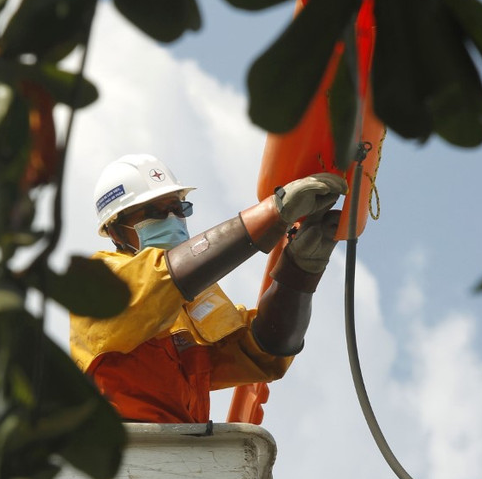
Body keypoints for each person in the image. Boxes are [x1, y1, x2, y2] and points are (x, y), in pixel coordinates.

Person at [69, 154, 346, 423]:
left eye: (179, 209)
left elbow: (264, 352)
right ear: (116, 231)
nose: (172, 219)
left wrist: (299, 271)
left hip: (184, 454)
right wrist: (274, 212)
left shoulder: (193, 297)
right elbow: (162, 276)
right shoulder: (96, 283)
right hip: (126, 453)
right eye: (155, 212)